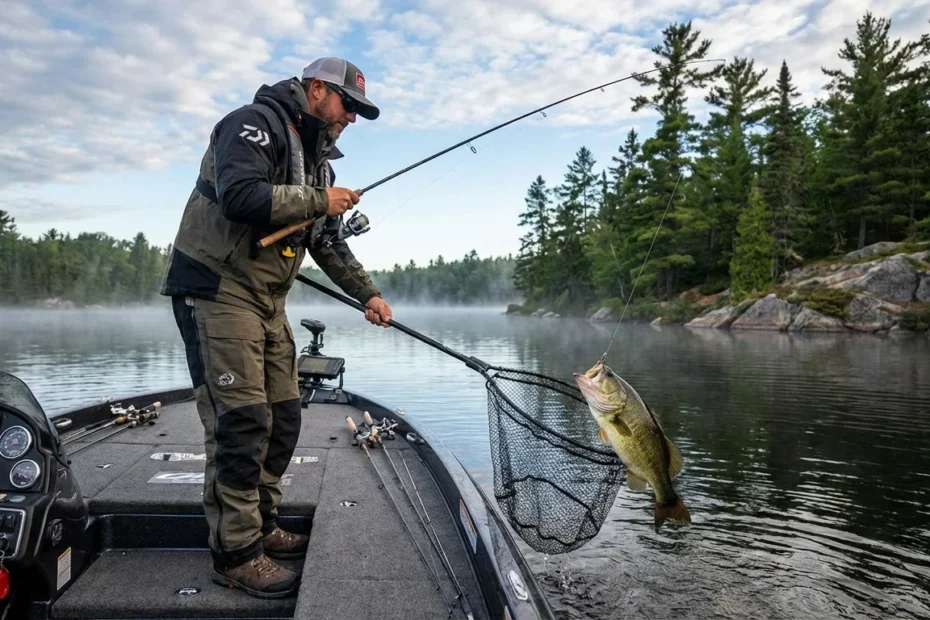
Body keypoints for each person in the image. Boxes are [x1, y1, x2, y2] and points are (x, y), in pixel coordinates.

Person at [159, 57, 393, 599]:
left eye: (358, 111)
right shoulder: (250, 124)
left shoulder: (320, 166)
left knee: (284, 418)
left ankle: (262, 525)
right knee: (240, 424)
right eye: (348, 105)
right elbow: (242, 197)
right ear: (316, 90)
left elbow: (328, 242)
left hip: (267, 300)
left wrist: (370, 295)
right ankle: (236, 554)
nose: (351, 118)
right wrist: (320, 199)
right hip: (217, 289)